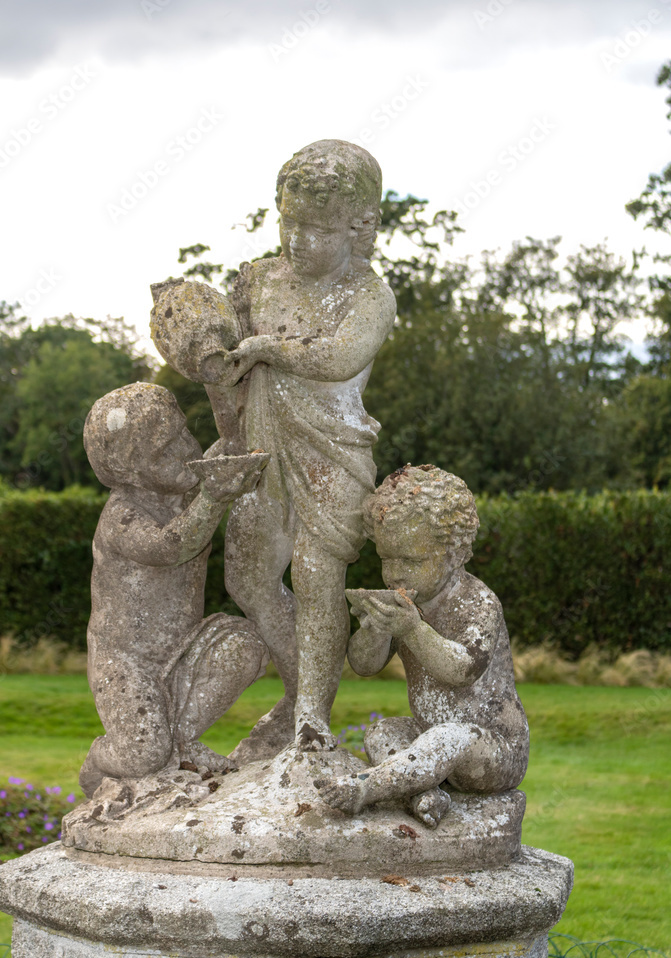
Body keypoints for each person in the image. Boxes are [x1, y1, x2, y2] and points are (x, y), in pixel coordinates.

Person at [220, 140, 396, 757]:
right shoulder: (262, 279)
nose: (296, 242)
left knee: (318, 577)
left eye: (314, 229)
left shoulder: (369, 296)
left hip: (335, 453)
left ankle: (312, 719)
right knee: (246, 574)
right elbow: (223, 358)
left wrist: (268, 348)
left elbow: (339, 357)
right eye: (286, 223)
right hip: (262, 451)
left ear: (359, 228)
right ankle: (297, 690)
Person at [79, 382, 269, 797]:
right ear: (129, 471)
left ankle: (181, 743)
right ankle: (100, 759)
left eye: (184, 432)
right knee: (143, 750)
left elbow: (227, 449)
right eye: (165, 449)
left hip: (182, 644)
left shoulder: (188, 489)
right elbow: (170, 547)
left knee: (248, 646)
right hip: (126, 662)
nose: (185, 448)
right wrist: (214, 497)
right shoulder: (122, 516)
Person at [314, 465, 529, 827]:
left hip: (492, 749)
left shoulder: (478, 602)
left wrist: (412, 629)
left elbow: (462, 671)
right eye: (386, 559)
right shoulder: (406, 606)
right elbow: (365, 664)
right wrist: (376, 629)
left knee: (449, 736)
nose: (396, 572)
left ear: (456, 553)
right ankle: (421, 793)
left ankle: (369, 787)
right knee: (383, 732)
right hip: (429, 736)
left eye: (411, 561)